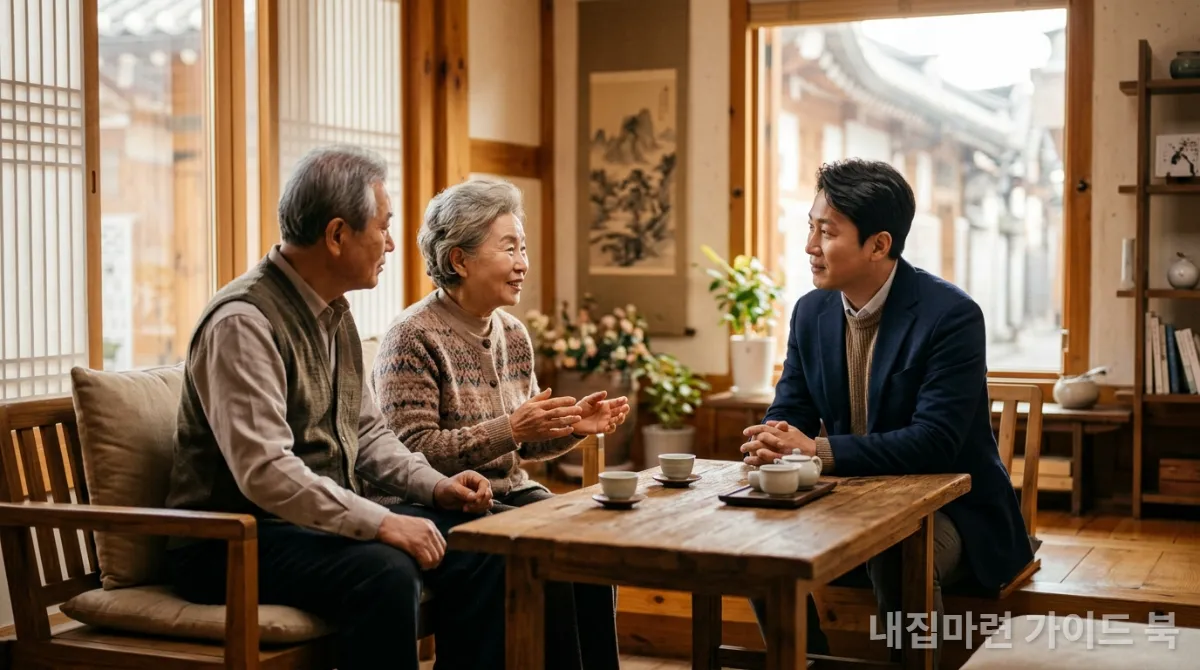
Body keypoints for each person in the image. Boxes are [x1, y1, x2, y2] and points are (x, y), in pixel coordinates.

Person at [163, 145, 505, 670]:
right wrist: (382, 522)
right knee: (385, 570)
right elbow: (266, 473)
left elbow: (368, 434)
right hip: (230, 541)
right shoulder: (243, 321)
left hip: (306, 525)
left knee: (486, 543)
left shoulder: (334, 312)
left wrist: (435, 485)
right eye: (384, 227)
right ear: (338, 234)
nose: (392, 243)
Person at [740, 159, 1034, 666]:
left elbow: (935, 440)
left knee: (897, 552)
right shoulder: (811, 312)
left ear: (879, 244)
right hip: (846, 501)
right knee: (750, 539)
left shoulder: (952, 315)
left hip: (950, 509)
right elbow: (791, 407)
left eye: (826, 231)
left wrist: (816, 450)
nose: (810, 245)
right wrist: (772, 438)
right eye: (810, 227)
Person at [370, 177, 629, 670]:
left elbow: (523, 448)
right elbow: (408, 452)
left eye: (523, 248)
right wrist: (510, 428)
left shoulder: (513, 333)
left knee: (589, 547)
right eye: (508, 248)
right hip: (428, 502)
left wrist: (573, 426)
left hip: (507, 493)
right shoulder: (411, 336)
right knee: (529, 554)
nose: (523, 264)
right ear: (459, 260)